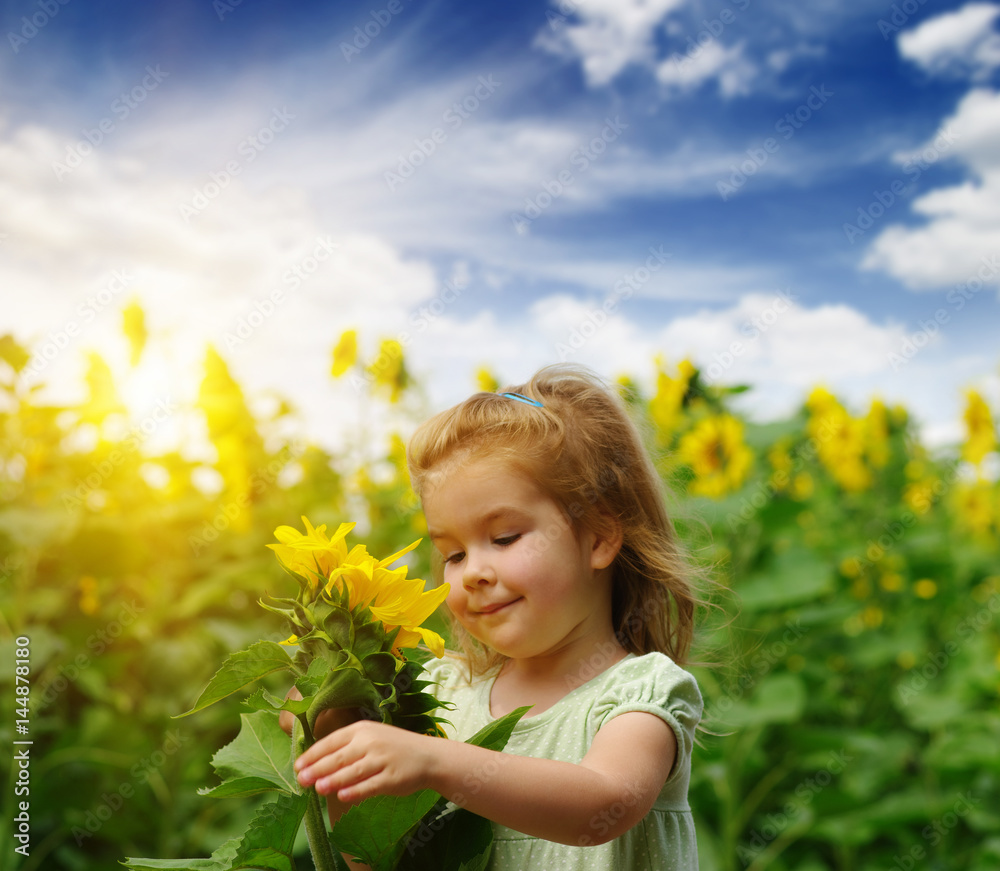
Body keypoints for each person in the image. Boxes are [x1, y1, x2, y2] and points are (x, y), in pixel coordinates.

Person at [291, 364, 705, 870]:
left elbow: (604, 804)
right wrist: (336, 738)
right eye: (454, 555)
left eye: (504, 538)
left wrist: (433, 763)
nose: (472, 574)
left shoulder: (639, 692)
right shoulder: (438, 695)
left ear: (597, 537)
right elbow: (377, 861)